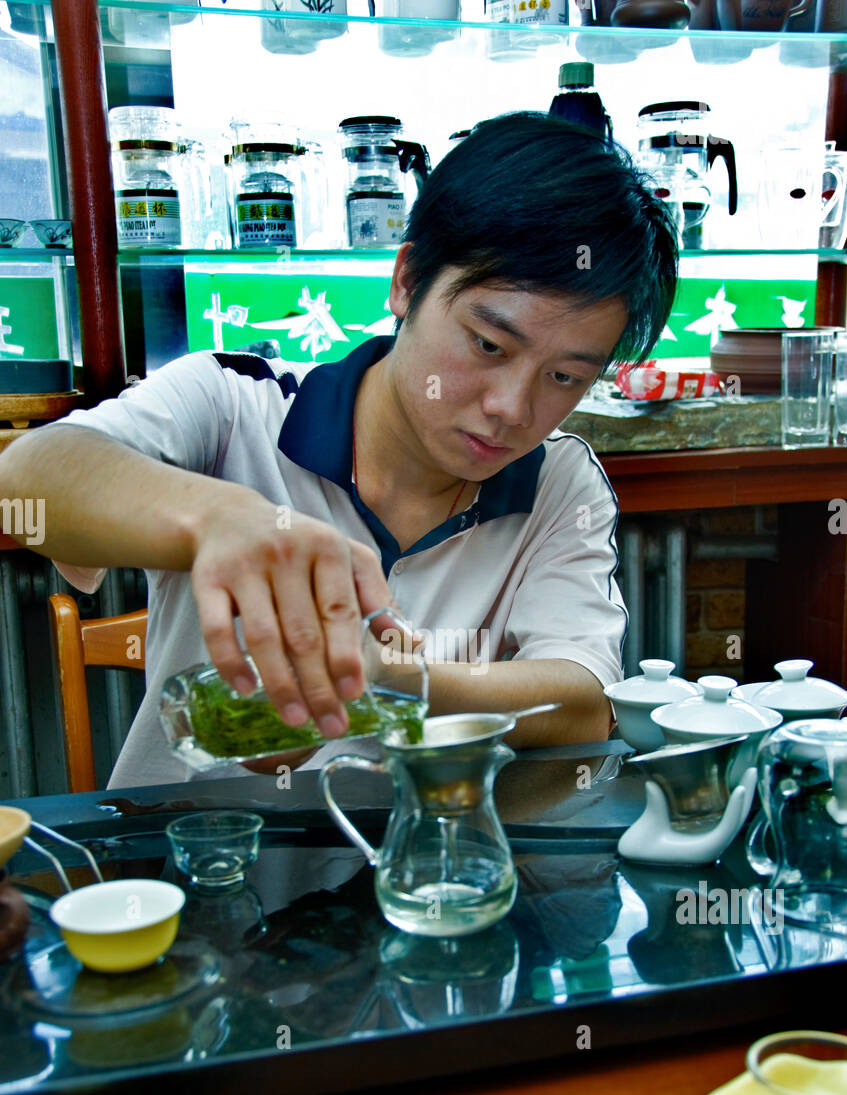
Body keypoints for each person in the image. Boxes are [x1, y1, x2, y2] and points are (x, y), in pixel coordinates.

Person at [0, 111, 678, 789]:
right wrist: (217, 518)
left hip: (412, 878)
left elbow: (583, 703)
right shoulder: (235, 407)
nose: (511, 408)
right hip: (192, 868)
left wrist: (382, 676)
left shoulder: (558, 482)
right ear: (407, 281)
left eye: (565, 377)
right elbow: (23, 485)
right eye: (488, 345)